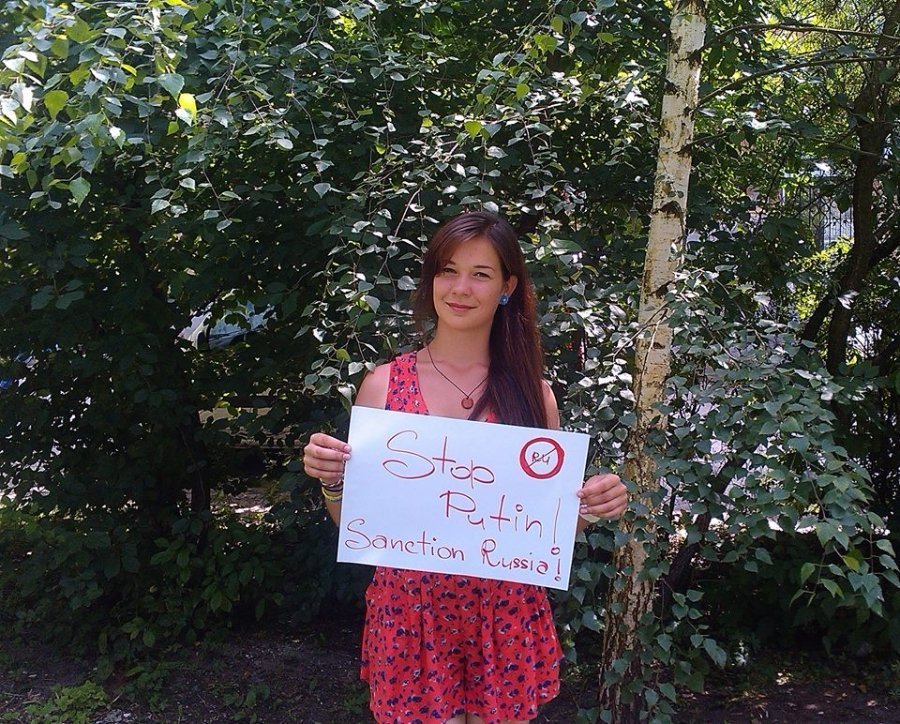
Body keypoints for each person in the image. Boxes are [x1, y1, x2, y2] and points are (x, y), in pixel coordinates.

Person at [303, 211, 627, 724]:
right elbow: (359, 524)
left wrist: (592, 505)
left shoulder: (533, 395)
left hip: (505, 611)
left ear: (507, 287)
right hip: (411, 611)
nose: (460, 288)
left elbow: (543, 529)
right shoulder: (383, 385)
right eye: (448, 270)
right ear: (431, 279)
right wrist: (333, 480)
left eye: (480, 274)